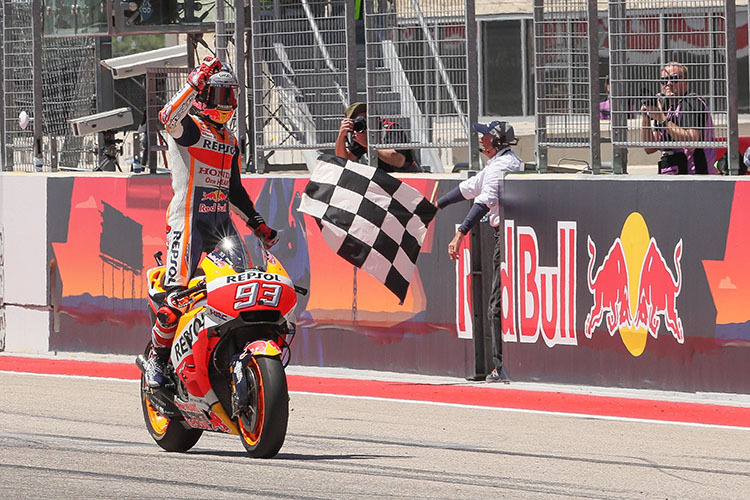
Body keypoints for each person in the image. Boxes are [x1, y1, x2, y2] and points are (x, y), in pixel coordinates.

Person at [144, 56, 279, 387]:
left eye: (230, 96)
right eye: (219, 96)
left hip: (222, 227)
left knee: (242, 289)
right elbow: (165, 116)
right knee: (176, 297)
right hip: (188, 223)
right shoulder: (189, 127)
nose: (226, 104)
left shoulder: (231, 141)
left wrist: (257, 223)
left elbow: (235, 190)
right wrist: (195, 80)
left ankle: (228, 352)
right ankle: (156, 361)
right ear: (202, 96)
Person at [433, 120, 522, 383]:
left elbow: (484, 200)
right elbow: (470, 187)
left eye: (485, 136)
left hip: (505, 239)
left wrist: (460, 233)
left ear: (496, 141)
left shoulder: (503, 165)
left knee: (496, 304)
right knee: (498, 303)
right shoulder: (500, 163)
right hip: (508, 236)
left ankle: (501, 366)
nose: (481, 140)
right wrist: (436, 206)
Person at [640, 61, 717, 175]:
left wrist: (662, 119)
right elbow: (650, 148)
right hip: (673, 174)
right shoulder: (665, 107)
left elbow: (691, 143)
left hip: (696, 176)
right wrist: (646, 118)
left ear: (685, 81)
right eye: (664, 81)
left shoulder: (691, 103)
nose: (669, 84)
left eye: (674, 79)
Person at [334, 101, 422, 173]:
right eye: (356, 120)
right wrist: (341, 136)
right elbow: (343, 159)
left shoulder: (390, 128)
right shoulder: (361, 134)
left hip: (406, 178)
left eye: (365, 117)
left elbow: (399, 161)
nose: (362, 121)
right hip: (382, 180)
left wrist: (369, 144)